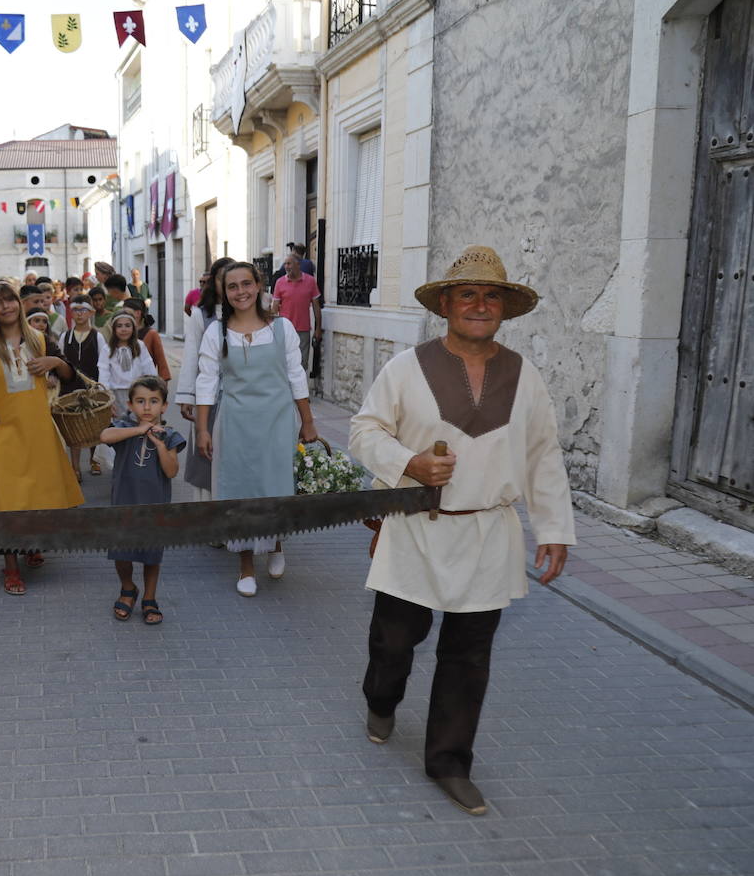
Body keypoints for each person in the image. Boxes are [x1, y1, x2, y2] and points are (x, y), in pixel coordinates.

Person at [348, 245, 574, 817]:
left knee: (468, 656)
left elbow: (544, 455)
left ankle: (449, 762)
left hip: (487, 533)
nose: (479, 305)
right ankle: (382, 698)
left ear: (505, 308)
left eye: (491, 295)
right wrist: (409, 462)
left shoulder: (525, 377)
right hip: (416, 529)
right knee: (394, 642)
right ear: (446, 303)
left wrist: (553, 528)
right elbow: (364, 431)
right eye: (468, 294)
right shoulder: (405, 368)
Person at [195, 261, 318, 596]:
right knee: (239, 489)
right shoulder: (215, 332)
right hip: (235, 422)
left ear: (259, 285)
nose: (240, 292)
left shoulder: (284, 329)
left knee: (274, 484)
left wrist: (307, 422)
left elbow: (296, 376)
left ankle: (276, 543)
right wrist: (203, 430)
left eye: (246, 284)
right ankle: (246, 565)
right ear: (223, 292)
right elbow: (206, 382)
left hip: (278, 420)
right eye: (232, 286)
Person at [0, 281, 85, 593]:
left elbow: (69, 374)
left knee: (37, 496)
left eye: (9, 300)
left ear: (18, 304)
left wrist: (54, 362)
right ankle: (10, 568)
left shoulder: (39, 338)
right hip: (4, 434)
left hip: (37, 429)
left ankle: (32, 545)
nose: (6, 307)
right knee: (8, 501)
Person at [100, 376, 184, 626]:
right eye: (140, 401)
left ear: (164, 406)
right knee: (121, 553)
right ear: (130, 405)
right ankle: (128, 588)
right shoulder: (124, 428)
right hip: (124, 505)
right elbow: (105, 436)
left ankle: (149, 597)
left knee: (151, 554)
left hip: (154, 508)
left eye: (154, 401)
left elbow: (171, 471)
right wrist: (139, 430)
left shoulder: (170, 436)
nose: (147, 408)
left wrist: (158, 443)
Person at [175, 258, 231, 500]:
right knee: (206, 452)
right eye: (223, 280)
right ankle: (209, 513)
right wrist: (187, 395)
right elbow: (190, 355)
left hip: (240, 394)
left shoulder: (250, 312)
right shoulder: (200, 314)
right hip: (209, 393)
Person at [60, 295, 110, 479]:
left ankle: (94, 460)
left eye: (83, 310)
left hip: (93, 388)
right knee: (73, 427)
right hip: (70, 388)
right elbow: (60, 361)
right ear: (71, 313)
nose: (79, 314)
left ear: (91, 312)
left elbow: (104, 362)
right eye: (75, 310)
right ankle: (75, 468)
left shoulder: (98, 337)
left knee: (94, 425)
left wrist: (102, 387)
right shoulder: (65, 337)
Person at [271, 247, 322, 371]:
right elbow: (274, 308)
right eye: (285, 264)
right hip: (284, 330)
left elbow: (316, 307)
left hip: (303, 330)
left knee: (302, 364)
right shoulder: (279, 282)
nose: (286, 267)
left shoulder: (310, 281)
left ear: (298, 264)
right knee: (284, 362)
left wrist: (318, 329)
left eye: (289, 263)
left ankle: (300, 390)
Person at [100, 311, 157, 415]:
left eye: (127, 325)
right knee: (120, 424)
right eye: (119, 326)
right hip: (116, 394)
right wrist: (107, 398)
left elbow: (149, 368)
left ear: (133, 328)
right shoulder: (107, 349)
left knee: (138, 422)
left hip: (139, 392)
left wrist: (154, 389)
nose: (123, 329)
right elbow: (104, 375)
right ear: (114, 329)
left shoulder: (140, 346)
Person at [123, 297, 172, 382]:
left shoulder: (151, 334)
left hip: (145, 384)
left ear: (138, 313)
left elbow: (162, 363)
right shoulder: (122, 333)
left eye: (126, 312)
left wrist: (162, 389)